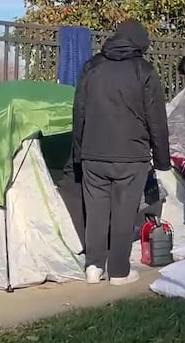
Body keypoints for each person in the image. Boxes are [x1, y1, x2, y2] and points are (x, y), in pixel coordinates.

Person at [72, 19, 171, 287]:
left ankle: (93, 267)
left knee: (95, 212)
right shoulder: (144, 70)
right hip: (132, 154)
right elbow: (156, 118)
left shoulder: (92, 66)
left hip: (93, 153)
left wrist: (79, 154)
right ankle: (118, 271)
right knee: (124, 213)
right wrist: (162, 160)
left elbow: (79, 111)